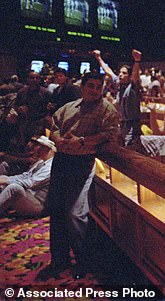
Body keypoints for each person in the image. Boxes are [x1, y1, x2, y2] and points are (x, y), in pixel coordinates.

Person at [36, 72, 118, 280]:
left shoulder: (106, 109)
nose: (94, 90)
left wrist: (80, 141)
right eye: (90, 86)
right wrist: (58, 138)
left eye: (98, 87)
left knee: (75, 215)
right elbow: (53, 125)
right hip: (62, 161)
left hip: (83, 163)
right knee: (56, 211)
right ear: (83, 87)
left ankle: (83, 261)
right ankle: (59, 260)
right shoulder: (71, 106)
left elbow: (109, 135)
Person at [92, 49, 142, 148]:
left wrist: (137, 61)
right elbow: (108, 71)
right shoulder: (119, 84)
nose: (120, 75)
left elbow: (135, 76)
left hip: (132, 125)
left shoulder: (132, 87)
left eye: (124, 73)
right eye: (120, 72)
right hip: (121, 124)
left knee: (130, 149)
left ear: (129, 76)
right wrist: (99, 58)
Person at [0, 136, 55, 217]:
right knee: (5, 181)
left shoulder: (51, 166)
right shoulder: (40, 163)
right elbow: (25, 176)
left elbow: (30, 183)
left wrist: (6, 181)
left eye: (40, 147)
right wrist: (6, 178)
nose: (36, 149)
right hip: (30, 197)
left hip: (39, 205)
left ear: (49, 150)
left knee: (13, 187)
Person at [15, 71, 51, 150]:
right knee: (25, 143)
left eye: (37, 78)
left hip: (40, 122)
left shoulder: (45, 93)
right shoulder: (22, 92)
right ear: (27, 79)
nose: (34, 80)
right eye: (32, 78)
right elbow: (16, 106)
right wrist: (19, 109)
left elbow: (51, 108)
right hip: (25, 121)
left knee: (36, 145)